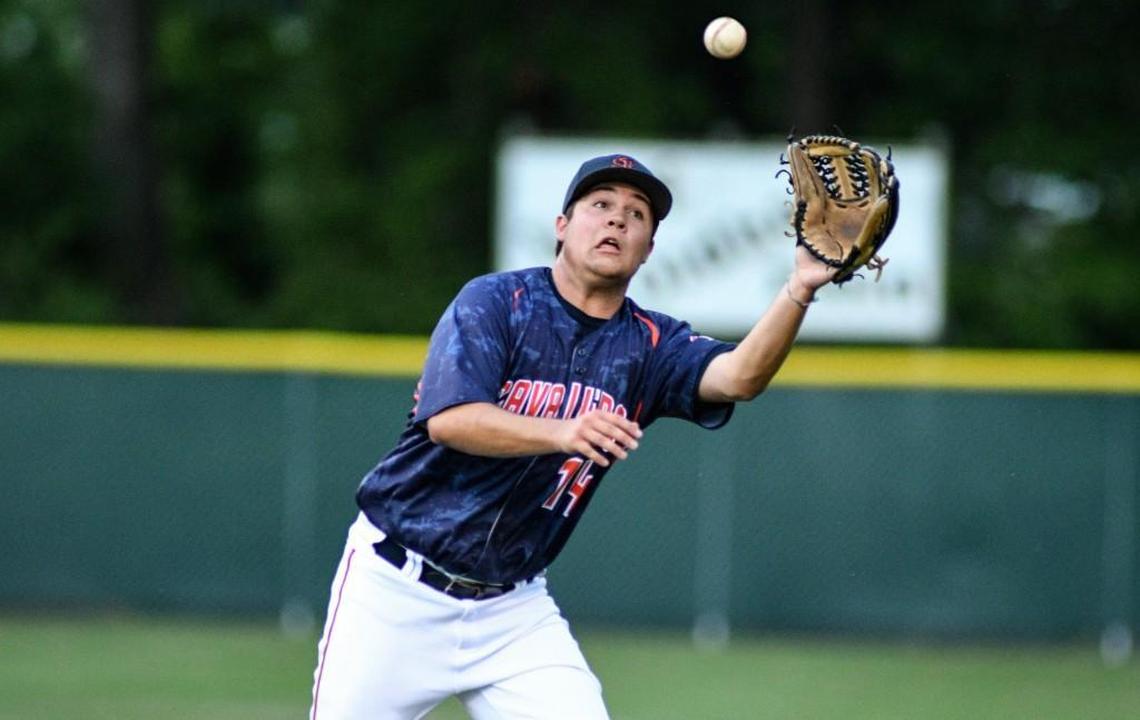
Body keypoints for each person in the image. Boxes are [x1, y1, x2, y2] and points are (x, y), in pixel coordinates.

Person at [309, 153, 834, 719]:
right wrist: (564, 431)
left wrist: (799, 288)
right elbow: (451, 420)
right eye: (600, 205)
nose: (617, 221)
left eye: (636, 215)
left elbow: (740, 377)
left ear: (649, 249)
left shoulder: (651, 344)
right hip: (395, 589)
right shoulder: (496, 303)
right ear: (562, 227)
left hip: (511, 612)